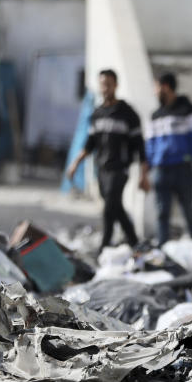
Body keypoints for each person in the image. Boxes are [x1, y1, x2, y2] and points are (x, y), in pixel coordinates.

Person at [67, 68, 144, 252]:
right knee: (115, 206)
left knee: (110, 206)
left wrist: (144, 173)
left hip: (120, 169)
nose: (106, 88)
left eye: (109, 84)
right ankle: (134, 241)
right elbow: (90, 143)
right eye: (103, 85)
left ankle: (105, 246)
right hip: (102, 169)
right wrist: (75, 163)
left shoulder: (127, 113)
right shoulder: (97, 114)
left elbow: (140, 146)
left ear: (116, 85)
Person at [141, 72, 192, 245]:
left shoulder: (188, 110)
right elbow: (150, 146)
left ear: (165, 87)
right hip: (161, 170)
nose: (155, 92)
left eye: (156, 87)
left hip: (183, 168)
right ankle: (162, 249)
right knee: (162, 212)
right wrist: (145, 172)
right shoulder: (155, 115)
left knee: (188, 210)